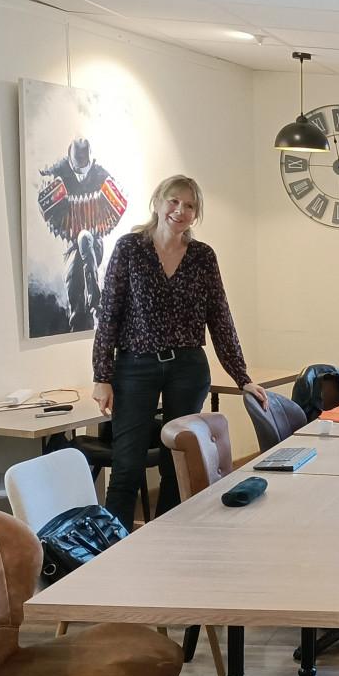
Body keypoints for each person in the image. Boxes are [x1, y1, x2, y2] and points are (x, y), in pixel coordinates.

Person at [91, 175, 267, 528]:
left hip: (187, 367)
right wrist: (102, 376)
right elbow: (108, 313)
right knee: (127, 464)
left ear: (196, 214)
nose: (180, 210)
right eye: (174, 201)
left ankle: (165, 540)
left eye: (189, 205)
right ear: (158, 202)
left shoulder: (202, 256)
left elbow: (220, 317)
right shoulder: (130, 249)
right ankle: (113, 547)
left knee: (177, 464)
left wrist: (242, 377)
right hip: (135, 367)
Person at [37, 137, 128, 332]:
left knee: (85, 237)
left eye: (84, 167)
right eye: (76, 168)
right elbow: (43, 184)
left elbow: (118, 198)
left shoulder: (100, 173)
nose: (80, 173)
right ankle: (79, 325)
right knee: (72, 282)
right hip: (72, 243)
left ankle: (96, 302)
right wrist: (45, 181)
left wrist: (117, 194)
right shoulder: (60, 170)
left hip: (94, 241)